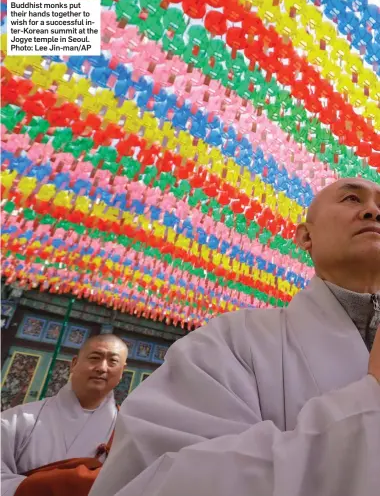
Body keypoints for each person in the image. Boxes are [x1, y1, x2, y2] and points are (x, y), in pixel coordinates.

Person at [90, 178, 380, 496]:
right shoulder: (229, 342)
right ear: (305, 236)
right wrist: (370, 399)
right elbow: (152, 482)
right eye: (352, 199)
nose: (373, 212)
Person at [1, 334, 128, 496]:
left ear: (122, 372)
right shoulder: (18, 419)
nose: (102, 368)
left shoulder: (126, 430)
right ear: (74, 363)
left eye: (113, 362)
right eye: (95, 358)